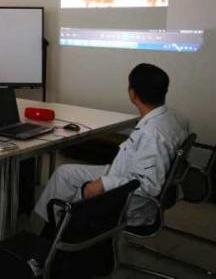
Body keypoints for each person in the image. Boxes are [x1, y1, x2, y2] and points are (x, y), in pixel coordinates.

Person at [34, 63, 189, 229]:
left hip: (129, 202)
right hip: (124, 174)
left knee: (81, 191)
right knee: (64, 173)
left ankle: (57, 231)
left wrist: (104, 184)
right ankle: (50, 225)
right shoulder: (173, 117)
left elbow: (149, 185)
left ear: (132, 94)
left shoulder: (153, 133)